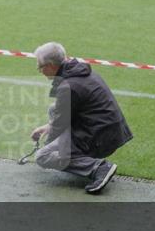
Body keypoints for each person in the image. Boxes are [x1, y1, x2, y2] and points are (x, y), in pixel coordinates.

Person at [29, 42, 132, 194]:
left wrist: (49, 147)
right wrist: (47, 127)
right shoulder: (78, 71)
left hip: (100, 138)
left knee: (43, 157)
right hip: (108, 131)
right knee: (53, 109)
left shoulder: (68, 86)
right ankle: (81, 158)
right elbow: (62, 116)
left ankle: (99, 168)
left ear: (50, 65)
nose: (40, 71)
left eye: (40, 67)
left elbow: (59, 126)